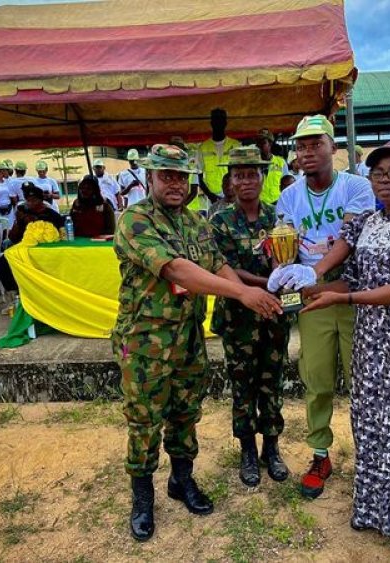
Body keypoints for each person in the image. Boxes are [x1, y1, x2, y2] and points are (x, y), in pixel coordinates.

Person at [271, 139, 390, 553]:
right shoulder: (369, 224)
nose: (386, 180)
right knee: (374, 422)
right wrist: (317, 288)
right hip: (373, 341)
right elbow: (355, 278)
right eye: (378, 173)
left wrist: (341, 299)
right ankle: (377, 508)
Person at [112, 144, 282, 542]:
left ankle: (181, 480)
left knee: (186, 413)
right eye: (165, 176)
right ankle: (142, 497)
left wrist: (250, 296)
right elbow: (177, 269)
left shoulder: (195, 222)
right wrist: (242, 295)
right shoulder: (135, 219)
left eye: (179, 176)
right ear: (150, 179)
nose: (174, 183)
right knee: (144, 421)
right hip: (145, 343)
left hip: (188, 337)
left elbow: (215, 263)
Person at [269, 115, 374, 500]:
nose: (308, 152)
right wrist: (282, 274)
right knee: (316, 381)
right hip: (312, 302)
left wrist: (315, 272)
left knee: (363, 383)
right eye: (301, 146)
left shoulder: (356, 187)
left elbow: (349, 238)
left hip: (351, 295)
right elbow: (285, 245)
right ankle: (319, 454)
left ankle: (372, 461)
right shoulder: (289, 196)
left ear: (334, 148)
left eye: (316, 144)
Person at [210, 146, 292, 487]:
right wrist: (269, 282)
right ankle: (247, 449)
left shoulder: (279, 218)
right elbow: (227, 269)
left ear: (263, 177)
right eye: (239, 175)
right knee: (242, 385)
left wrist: (283, 277)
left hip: (273, 315)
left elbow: (290, 259)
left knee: (271, 382)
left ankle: (271, 448)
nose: (245, 181)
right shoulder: (220, 221)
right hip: (238, 318)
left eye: (252, 174)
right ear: (230, 181)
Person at [0, 183, 65, 292]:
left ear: (41, 200)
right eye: (28, 199)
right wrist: (19, 222)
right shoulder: (23, 214)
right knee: (0, 264)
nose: (30, 202)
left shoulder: (52, 215)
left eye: (34, 199)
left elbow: (61, 235)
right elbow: (12, 238)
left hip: (44, 251)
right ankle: (17, 292)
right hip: (23, 250)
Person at [197, 108, 241, 205]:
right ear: (211, 123)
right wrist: (210, 195)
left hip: (233, 195)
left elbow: (240, 172)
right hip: (211, 198)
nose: (218, 123)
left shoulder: (236, 145)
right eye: (216, 120)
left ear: (225, 123)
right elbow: (198, 176)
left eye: (221, 120)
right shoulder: (203, 147)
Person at [255, 128, 288, 205]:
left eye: (263, 143)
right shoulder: (253, 164)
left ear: (270, 143)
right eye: (258, 143)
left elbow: (287, 185)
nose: (259, 146)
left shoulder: (281, 162)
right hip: (258, 205)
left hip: (277, 203)